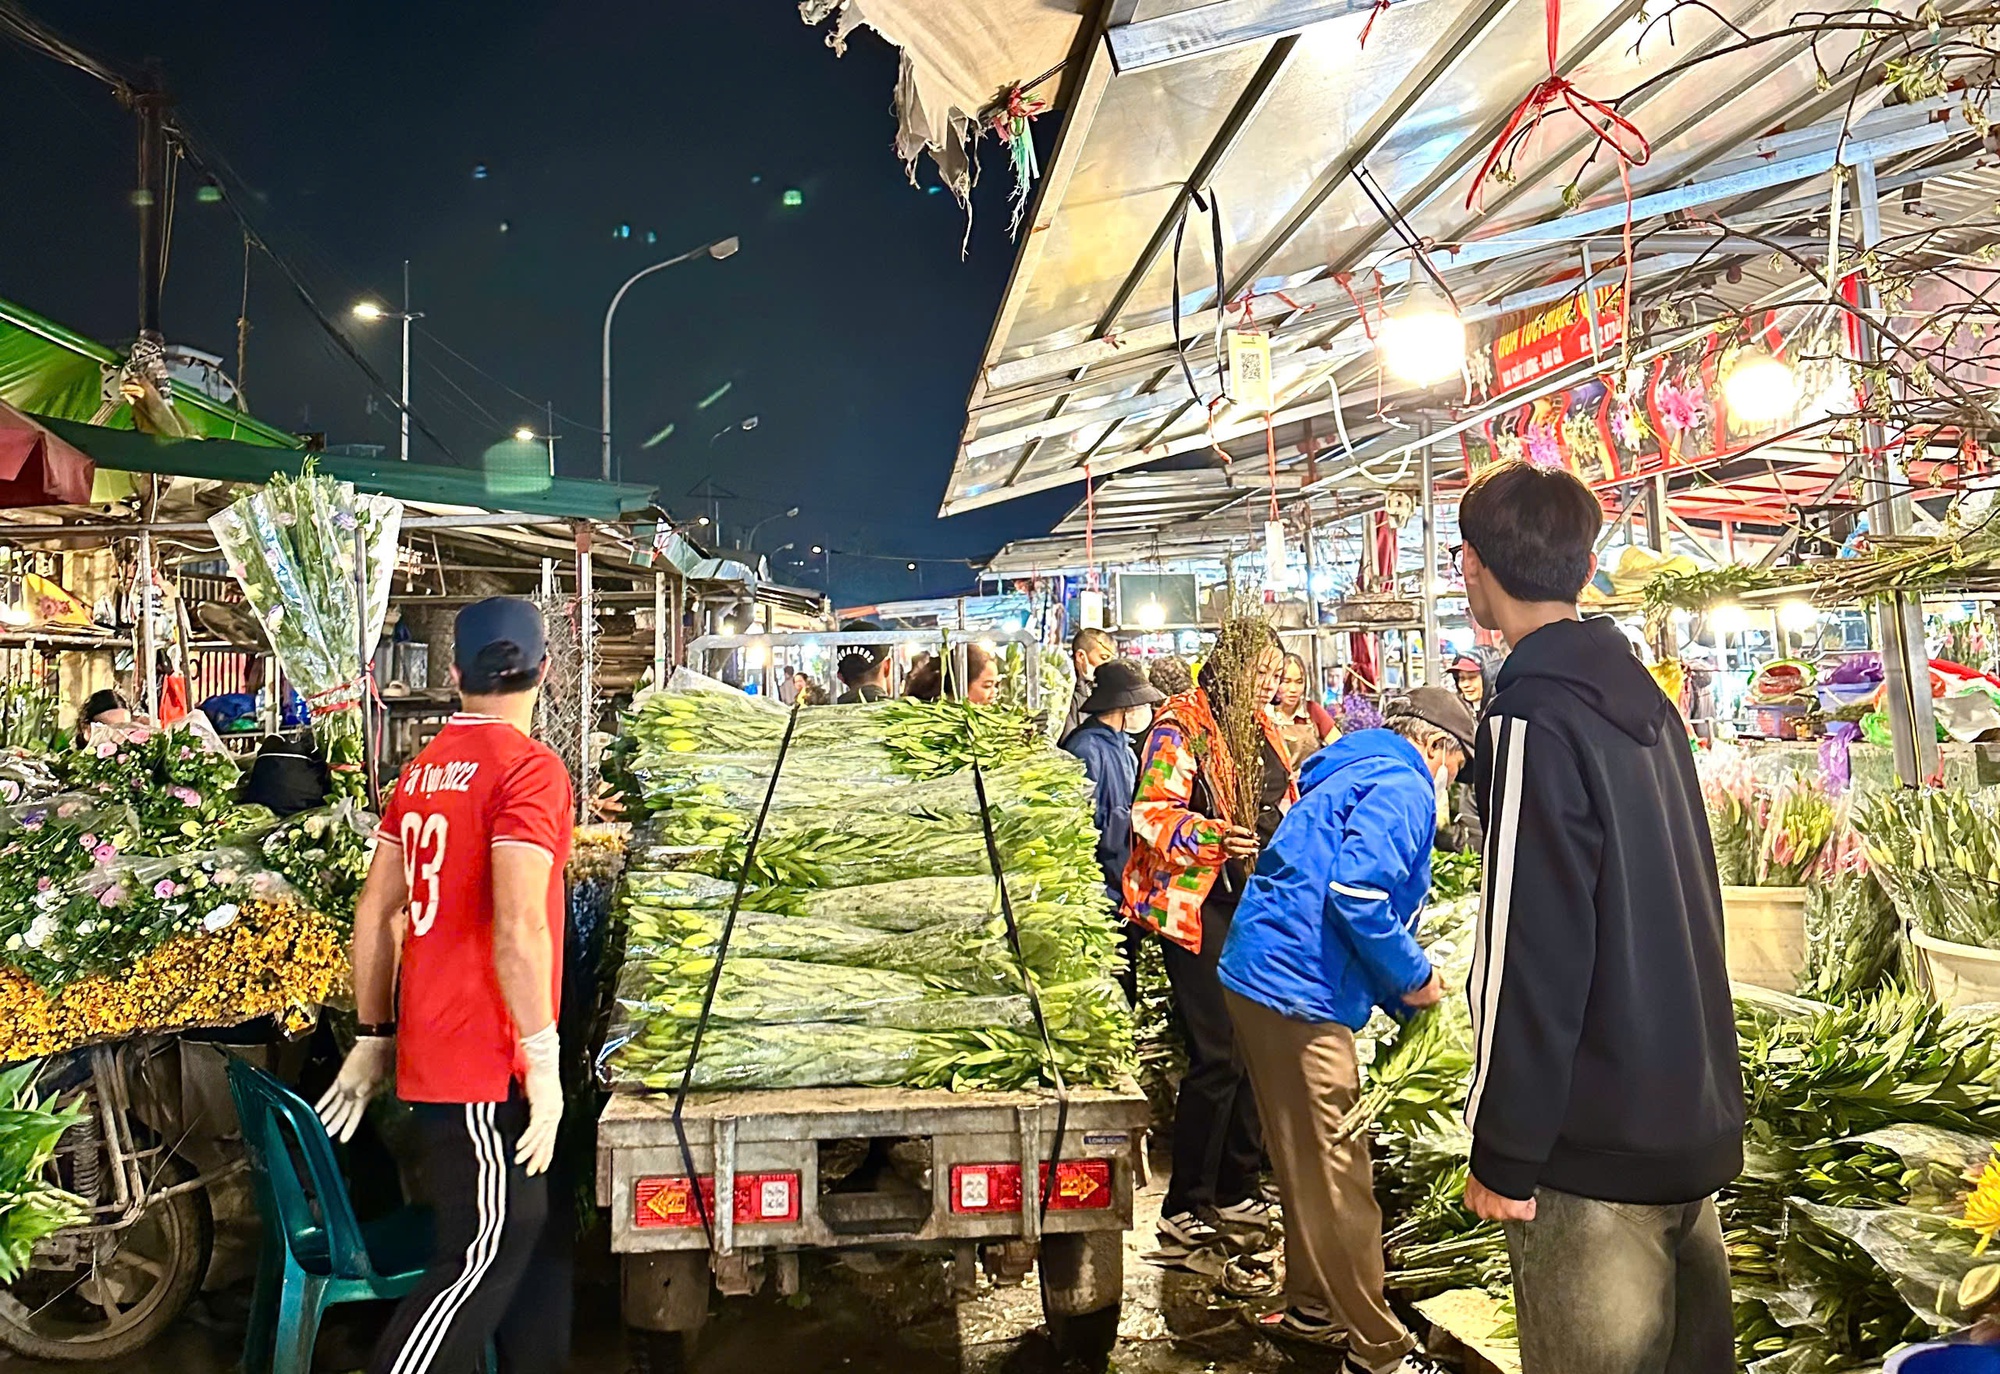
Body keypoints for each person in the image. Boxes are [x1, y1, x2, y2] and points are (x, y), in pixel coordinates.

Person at [1457, 461, 1741, 1374]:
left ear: (1472, 567)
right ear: (1585, 568)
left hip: (1592, 1152)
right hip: (1688, 1124)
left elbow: (1528, 946)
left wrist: (1505, 1148)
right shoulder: (1649, 705)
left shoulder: (1532, 716)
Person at [317, 597, 576, 1374]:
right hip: (483, 1057)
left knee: (531, 1242)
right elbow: (518, 925)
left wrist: (373, 1035)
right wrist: (543, 1056)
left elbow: (376, 909)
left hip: (436, 1047)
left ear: (455, 674)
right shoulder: (529, 770)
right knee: (485, 1250)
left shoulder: (423, 771)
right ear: (545, 671)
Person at [1220, 686, 1476, 1373]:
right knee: (1339, 1168)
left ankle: (1313, 1306)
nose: (1450, 781)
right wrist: (1415, 975)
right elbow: (1358, 894)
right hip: (1297, 987)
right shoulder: (1404, 785)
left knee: (1303, 1156)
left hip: (1263, 972)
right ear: (1437, 747)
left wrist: (1402, 1001)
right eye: (1455, 764)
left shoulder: (1357, 768)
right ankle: (1380, 1347)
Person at [1125, 633, 1292, 1266]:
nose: (1269, 684)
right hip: (1194, 907)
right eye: (1261, 671)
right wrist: (1214, 837)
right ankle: (1183, 1207)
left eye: (1276, 673)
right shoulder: (1180, 725)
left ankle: (1236, 1187)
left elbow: (1283, 798)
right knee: (1218, 1052)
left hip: (1252, 902)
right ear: (1230, 667)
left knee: (1254, 1044)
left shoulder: (1260, 727)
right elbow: (1151, 814)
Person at [1060, 661, 1164, 1003]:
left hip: (1124, 889)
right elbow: (1087, 828)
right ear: (1125, 708)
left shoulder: (1123, 748)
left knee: (1128, 979)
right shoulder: (1084, 749)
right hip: (1102, 892)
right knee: (1114, 985)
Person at [1267, 652, 1338, 768]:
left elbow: (1339, 745)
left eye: (1299, 682)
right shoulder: (1265, 714)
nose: (1293, 689)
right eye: (1286, 681)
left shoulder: (1312, 710)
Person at [1063, 627, 1118, 740]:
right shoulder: (1062, 692)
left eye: (1111, 659)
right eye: (1104, 657)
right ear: (1081, 656)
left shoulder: (1108, 691)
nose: (1109, 664)